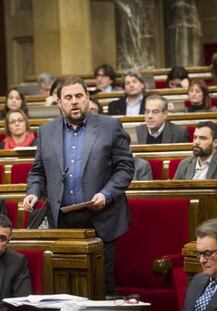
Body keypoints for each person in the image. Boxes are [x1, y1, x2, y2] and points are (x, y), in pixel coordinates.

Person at [23, 76, 134, 296]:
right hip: (62, 220)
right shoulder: (46, 131)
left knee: (101, 287)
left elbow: (125, 168)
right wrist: (33, 193)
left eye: (79, 96)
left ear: (87, 98)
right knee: (66, 287)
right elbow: (38, 171)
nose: (74, 102)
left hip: (102, 218)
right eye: (68, 97)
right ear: (59, 103)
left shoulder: (109, 126)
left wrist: (107, 193)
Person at [174, 121, 217, 192]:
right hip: (187, 202)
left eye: (202, 138)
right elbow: (174, 190)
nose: (196, 142)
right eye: (195, 137)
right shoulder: (185, 163)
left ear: (215, 143)